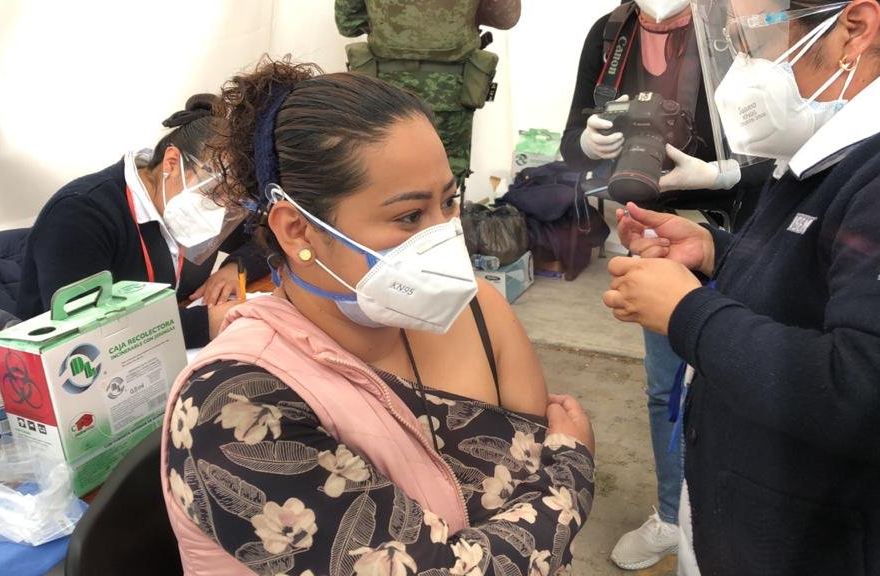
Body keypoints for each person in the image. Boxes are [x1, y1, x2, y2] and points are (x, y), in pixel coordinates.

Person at [161, 59, 596, 575]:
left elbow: (529, 474)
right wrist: (572, 472)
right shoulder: (232, 406)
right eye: (409, 216)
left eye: (449, 202)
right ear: (297, 231)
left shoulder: (476, 308)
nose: (445, 236)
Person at [602, 0, 880, 573]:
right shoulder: (862, 132)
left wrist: (687, 312)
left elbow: (878, 394)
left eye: (753, 45)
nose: (742, 72)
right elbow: (824, 271)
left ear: (854, 28)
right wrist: (716, 252)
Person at [560, 0, 770, 569]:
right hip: (655, 238)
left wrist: (724, 174)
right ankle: (671, 514)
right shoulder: (611, 33)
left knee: (744, 379)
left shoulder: (737, 24)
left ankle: (737, 520)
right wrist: (587, 145)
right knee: (665, 389)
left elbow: (792, 149)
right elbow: (570, 141)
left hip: (741, 231)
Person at [16, 95, 269, 348]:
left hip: (162, 347)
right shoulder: (81, 215)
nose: (220, 208)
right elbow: (86, 329)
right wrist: (205, 324)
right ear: (171, 163)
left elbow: (266, 237)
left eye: (231, 199)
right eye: (214, 192)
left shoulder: (204, 205)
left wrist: (235, 267)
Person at [335, 0, 521, 186]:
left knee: (381, 169)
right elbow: (505, 18)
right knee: (447, 172)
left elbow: (348, 24)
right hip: (451, 90)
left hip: (384, 90)